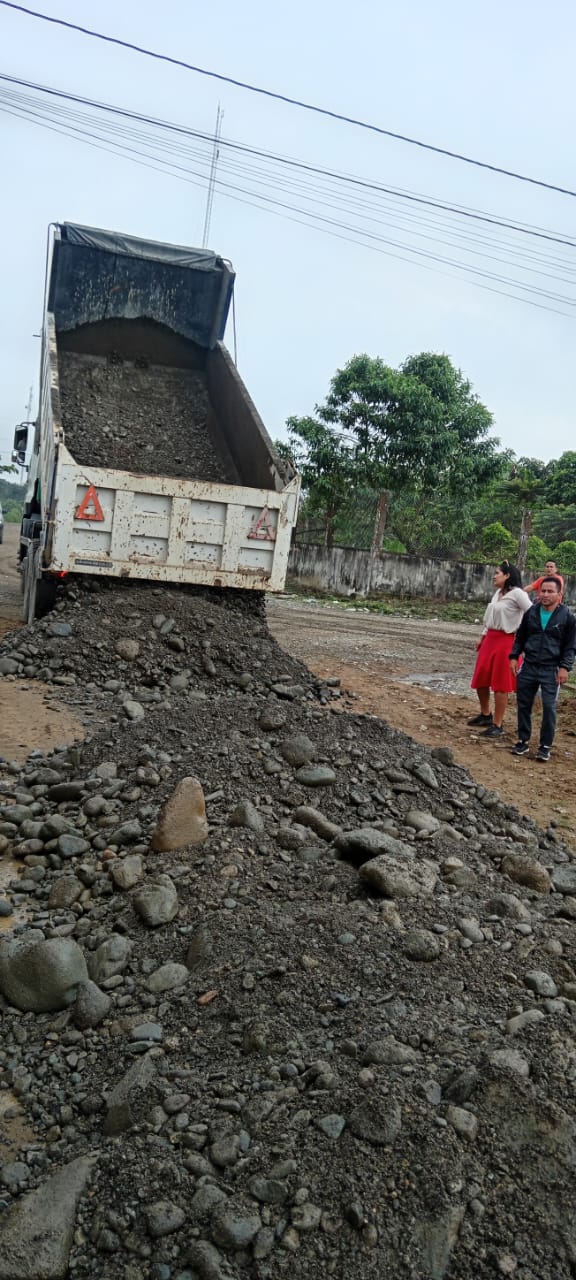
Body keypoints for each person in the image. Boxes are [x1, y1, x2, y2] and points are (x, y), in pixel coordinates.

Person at [509, 575, 576, 761]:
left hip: (551, 669)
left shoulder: (567, 617)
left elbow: (571, 646)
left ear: (559, 595)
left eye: (550, 591)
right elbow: (520, 637)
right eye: (543, 591)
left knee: (549, 706)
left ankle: (545, 746)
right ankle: (523, 741)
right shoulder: (531, 612)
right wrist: (514, 657)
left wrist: (564, 668)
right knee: (523, 704)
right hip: (529, 666)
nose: (545, 595)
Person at [468, 561, 532, 738]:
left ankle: (498, 724)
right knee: (481, 677)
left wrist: (523, 636)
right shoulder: (498, 593)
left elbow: (531, 613)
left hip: (506, 642)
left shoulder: (518, 594)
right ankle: (485, 714)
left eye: (497, 573)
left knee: (500, 683)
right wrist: (482, 637)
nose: (494, 576)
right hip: (490, 640)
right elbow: (490, 618)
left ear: (507, 575)